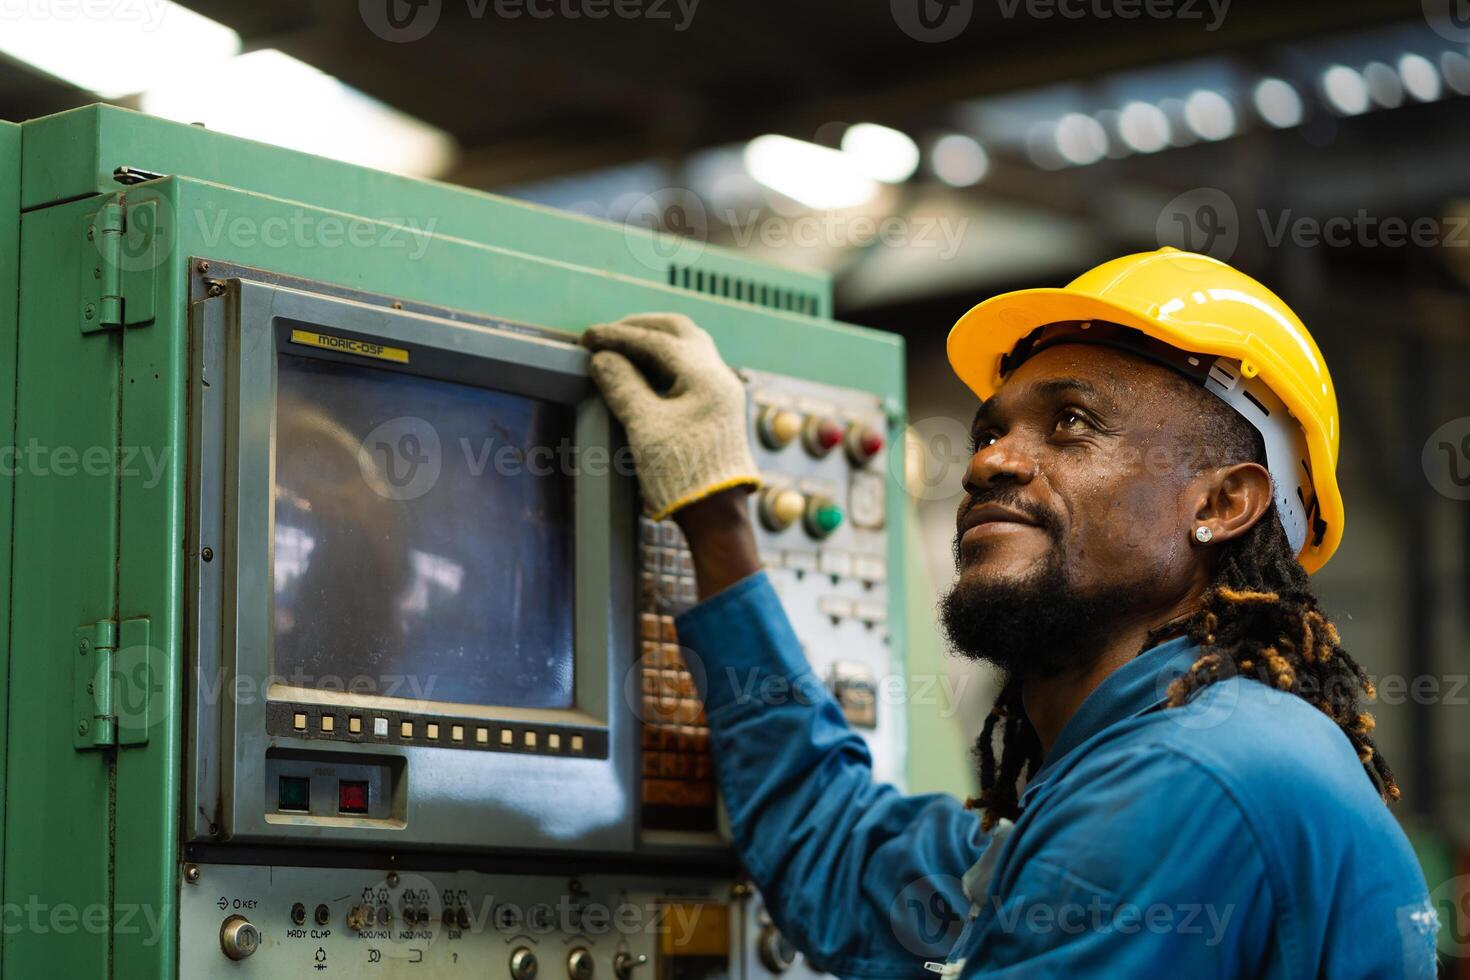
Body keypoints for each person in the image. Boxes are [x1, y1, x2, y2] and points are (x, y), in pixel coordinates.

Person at [581, 248, 1437, 977]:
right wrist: (715, 513)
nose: (989, 461)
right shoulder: (1131, 770)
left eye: (1071, 423)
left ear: (1221, 503)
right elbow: (843, 856)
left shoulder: (1189, 778)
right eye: (990, 432)